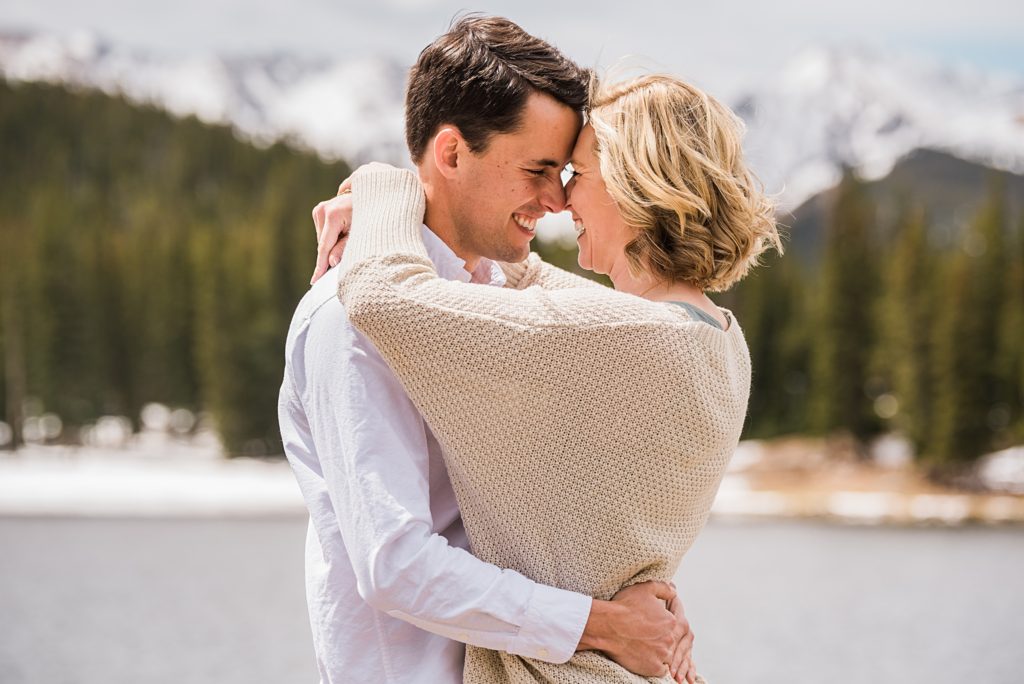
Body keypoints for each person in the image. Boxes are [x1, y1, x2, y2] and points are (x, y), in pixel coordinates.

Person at [320, 72, 783, 683]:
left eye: (578, 173)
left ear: (635, 187)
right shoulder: (720, 341)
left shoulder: (618, 339)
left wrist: (385, 186)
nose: (563, 200)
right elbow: (529, 279)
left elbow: (383, 296)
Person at [279, 16, 696, 684]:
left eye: (563, 173)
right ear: (451, 154)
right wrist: (603, 625)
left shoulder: (500, 299)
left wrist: (640, 601)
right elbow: (394, 563)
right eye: (536, 170)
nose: (555, 200)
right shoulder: (351, 319)